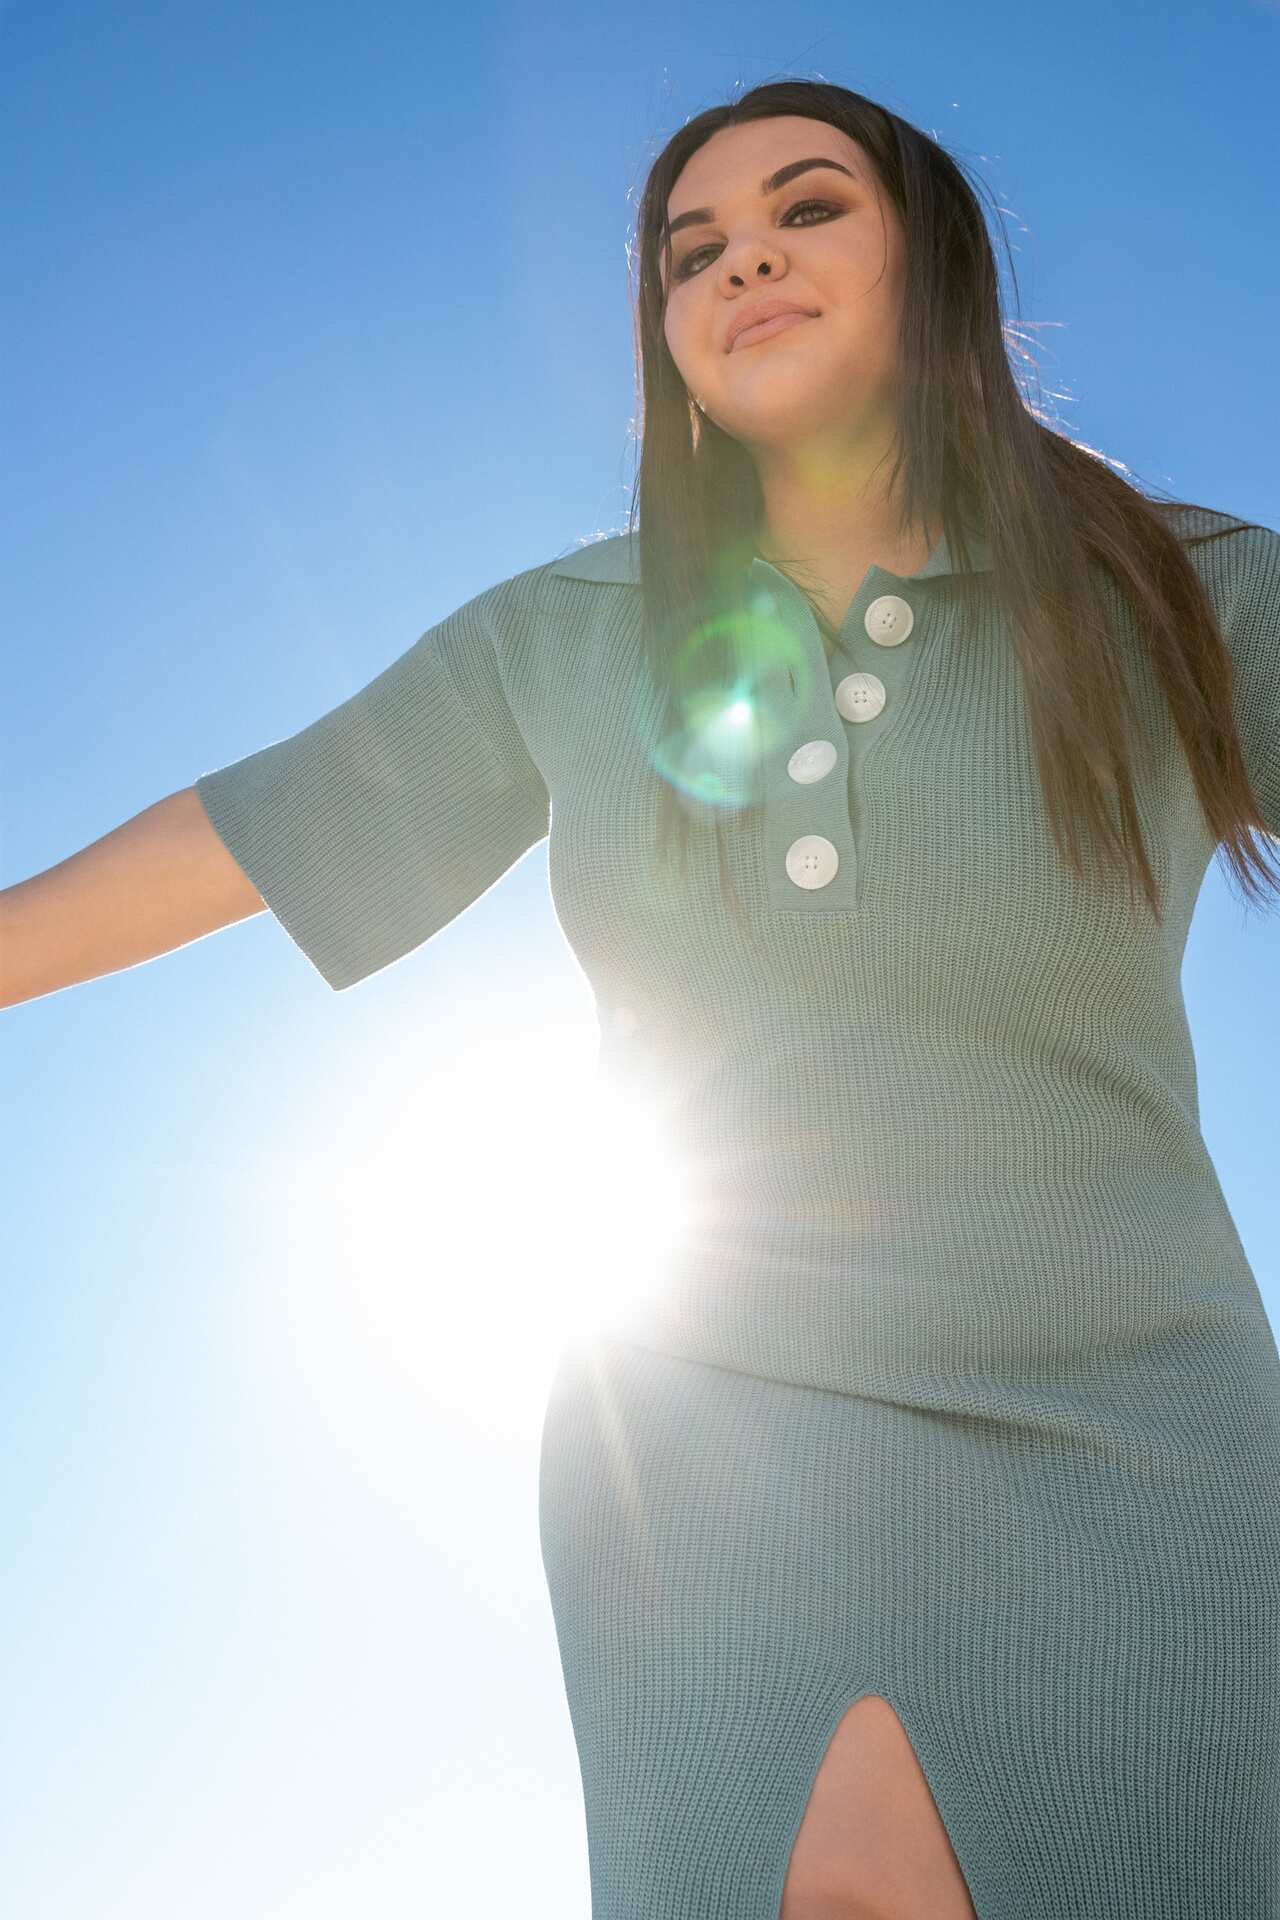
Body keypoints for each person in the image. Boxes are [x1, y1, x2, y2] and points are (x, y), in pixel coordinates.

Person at [6, 78, 1280, 1920]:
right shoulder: (562, 637)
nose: (742, 259)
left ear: (936, 263)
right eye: (693, 250)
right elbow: (251, 828)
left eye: (808, 208)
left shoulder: (1180, 590)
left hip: (1136, 1415)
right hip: (707, 1440)